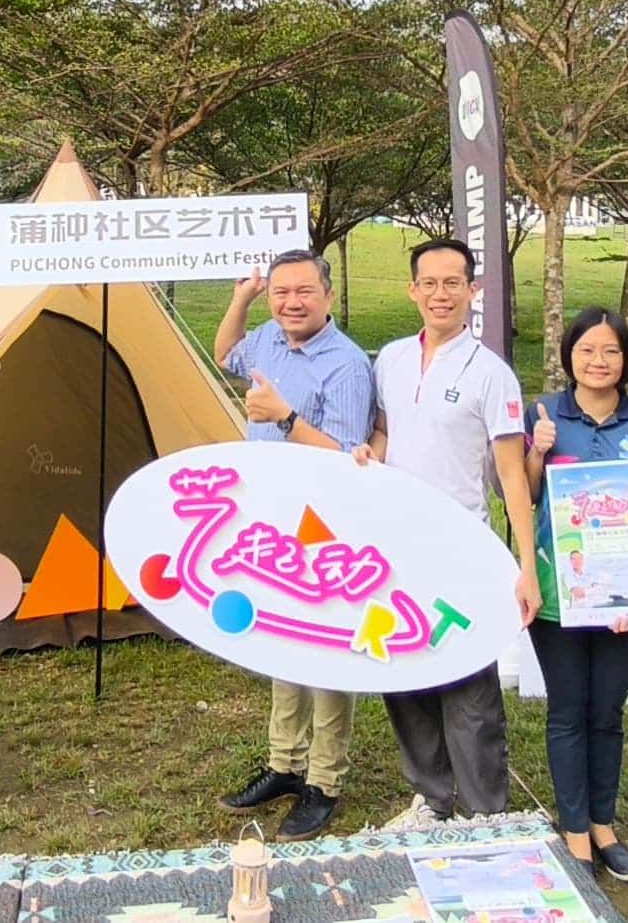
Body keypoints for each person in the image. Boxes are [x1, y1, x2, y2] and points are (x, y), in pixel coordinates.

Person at [367, 238, 539, 827]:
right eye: (430, 283)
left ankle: (486, 813)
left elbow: (511, 477)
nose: (441, 294)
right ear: (412, 290)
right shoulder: (390, 360)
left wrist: (525, 567)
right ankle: (432, 799)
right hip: (394, 549)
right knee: (402, 671)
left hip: (461, 551)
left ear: (473, 290)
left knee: (468, 686)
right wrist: (371, 456)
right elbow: (386, 433)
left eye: (453, 283)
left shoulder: (491, 374)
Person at [211, 248, 377, 841]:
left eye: (304, 291)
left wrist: (285, 418)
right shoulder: (267, 340)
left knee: (327, 646)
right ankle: (284, 763)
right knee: (282, 638)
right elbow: (225, 354)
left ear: (329, 296)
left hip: (325, 528)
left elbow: (348, 457)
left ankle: (324, 781)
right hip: (270, 519)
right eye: (281, 292)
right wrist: (241, 298)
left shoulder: (348, 365)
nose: (292, 302)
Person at [523, 307, 628, 883]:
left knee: (606, 713)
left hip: (625, 598)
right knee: (567, 711)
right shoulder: (544, 412)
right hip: (558, 593)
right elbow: (523, 496)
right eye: (586, 350)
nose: (598, 361)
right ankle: (575, 830)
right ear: (569, 356)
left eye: (611, 350)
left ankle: (603, 824)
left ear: (626, 358)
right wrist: (537, 452)